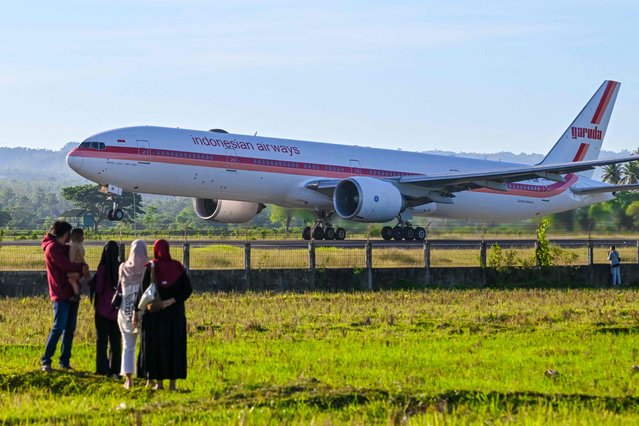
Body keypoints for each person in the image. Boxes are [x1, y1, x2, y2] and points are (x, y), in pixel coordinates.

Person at [138, 239, 192, 391]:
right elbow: (188, 290)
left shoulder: (150, 267)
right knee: (174, 347)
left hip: (155, 316)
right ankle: (173, 385)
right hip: (175, 316)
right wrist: (172, 301)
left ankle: (159, 383)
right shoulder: (177, 267)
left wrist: (138, 312)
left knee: (157, 347)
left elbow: (143, 292)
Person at [40, 220, 88, 372]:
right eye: (68, 234)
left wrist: (79, 268)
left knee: (69, 329)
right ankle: (46, 360)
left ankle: (64, 362)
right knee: (58, 327)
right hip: (60, 293)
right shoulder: (53, 249)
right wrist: (81, 268)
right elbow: (67, 266)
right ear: (65, 233)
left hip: (70, 292)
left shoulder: (62, 247)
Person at [117, 239, 148, 389]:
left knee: (128, 346)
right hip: (143, 310)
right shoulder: (148, 268)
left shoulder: (122, 267)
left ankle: (128, 380)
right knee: (146, 346)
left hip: (125, 310)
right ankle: (150, 378)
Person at [90, 240, 122, 376]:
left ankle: (102, 368)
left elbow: (99, 288)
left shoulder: (102, 269)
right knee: (116, 342)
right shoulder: (121, 267)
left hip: (102, 310)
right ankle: (116, 369)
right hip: (117, 311)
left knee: (101, 341)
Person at [67, 228, 87, 302]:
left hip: (76, 266)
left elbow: (72, 259)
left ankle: (76, 295)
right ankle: (77, 291)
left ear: (72, 237)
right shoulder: (81, 246)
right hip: (81, 266)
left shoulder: (73, 246)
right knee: (75, 280)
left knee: (71, 279)